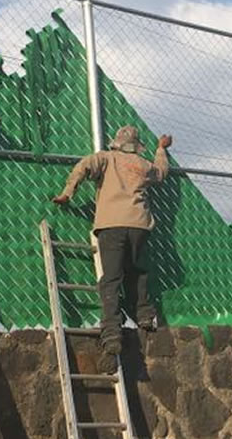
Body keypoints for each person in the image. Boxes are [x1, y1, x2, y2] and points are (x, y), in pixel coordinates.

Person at [52, 126, 172, 373]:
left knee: (111, 279)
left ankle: (111, 335)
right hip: (139, 224)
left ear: (116, 143)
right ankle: (145, 316)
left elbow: (84, 166)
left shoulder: (105, 159)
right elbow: (161, 172)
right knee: (138, 270)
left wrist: (67, 192)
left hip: (111, 225)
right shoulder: (142, 164)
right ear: (137, 145)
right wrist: (161, 148)